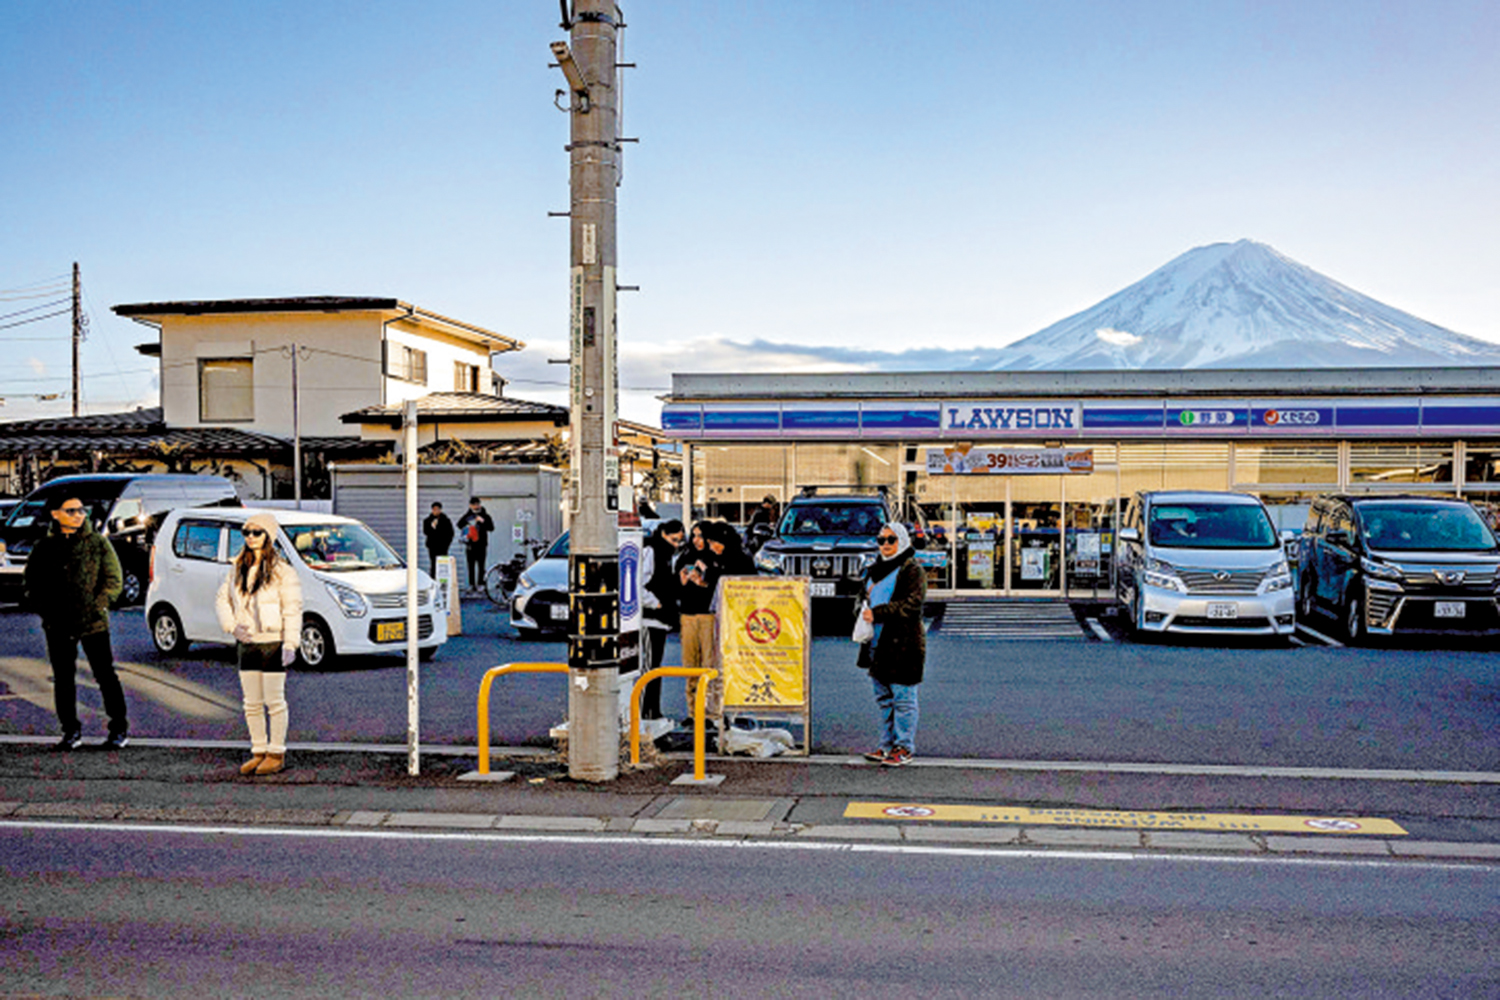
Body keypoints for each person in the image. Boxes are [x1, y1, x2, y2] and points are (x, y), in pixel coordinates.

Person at [23, 494, 128, 750]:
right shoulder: (44, 548)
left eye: (82, 510)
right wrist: (45, 610)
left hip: (93, 622)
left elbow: (113, 580)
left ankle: (118, 729)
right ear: (55, 514)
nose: (79, 515)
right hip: (57, 624)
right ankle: (70, 730)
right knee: (63, 678)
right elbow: (31, 584)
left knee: (105, 675)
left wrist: (98, 605)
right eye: (71, 511)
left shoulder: (97, 544)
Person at [215, 512, 303, 776]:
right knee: (251, 702)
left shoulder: (282, 572)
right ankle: (258, 750)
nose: (251, 537)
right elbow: (221, 600)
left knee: (274, 701)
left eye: (257, 532)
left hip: (272, 642)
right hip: (247, 642)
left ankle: (276, 753)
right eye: (247, 532)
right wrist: (232, 627)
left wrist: (291, 643)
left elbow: (293, 609)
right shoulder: (237, 568)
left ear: (269, 535)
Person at [857, 521, 927, 767]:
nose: (885, 545)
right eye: (881, 540)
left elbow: (913, 604)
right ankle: (886, 746)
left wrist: (878, 612)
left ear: (902, 541)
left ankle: (904, 747)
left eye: (891, 540)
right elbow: (863, 596)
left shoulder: (912, 569)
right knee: (884, 698)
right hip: (877, 642)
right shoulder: (875, 569)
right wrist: (863, 610)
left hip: (903, 642)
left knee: (904, 697)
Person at [675, 521, 720, 744]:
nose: (696, 540)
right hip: (688, 614)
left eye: (701, 536)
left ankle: (711, 713)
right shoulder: (685, 557)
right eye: (693, 536)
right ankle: (692, 713)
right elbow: (676, 584)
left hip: (708, 615)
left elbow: (718, 585)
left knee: (708, 664)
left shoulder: (714, 558)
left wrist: (702, 581)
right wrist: (684, 581)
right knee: (690, 664)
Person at [639, 519, 685, 719]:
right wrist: (655, 603)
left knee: (654, 668)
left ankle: (652, 711)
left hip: (661, 618)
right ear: (664, 534)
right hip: (651, 618)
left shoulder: (666, 554)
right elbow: (639, 584)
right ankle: (644, 712)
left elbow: (663, 584)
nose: (676, 545)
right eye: (674, 539)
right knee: (649, 669)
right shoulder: (651, 551)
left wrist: (679, 581)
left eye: (679, 542)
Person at [456, 496, 494, 593]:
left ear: (480, 504)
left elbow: (491, 528)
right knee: (471, 565)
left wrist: (483, 521)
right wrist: (468, 523)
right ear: (470, 505)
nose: (476, 506)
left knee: (481, 565)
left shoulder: (485, 516)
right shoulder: (468, 516)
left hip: (481, 544)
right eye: (473, 505)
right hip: (470, 544)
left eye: (477, 504)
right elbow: (459, 524)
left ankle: (480, 584)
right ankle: (472, 585)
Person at [423, 501, 455, 579]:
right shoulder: (427, 520)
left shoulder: (446, 520)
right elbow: (426, 532)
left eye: (438, 509)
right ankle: (433, 580)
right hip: (432, 546)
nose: (436, 511)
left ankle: (443, 582)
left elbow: (450, 533)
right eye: (434, 509)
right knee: (433, 564)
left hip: (443, 546)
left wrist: (446, 544)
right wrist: (432, 527)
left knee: (443, 565)